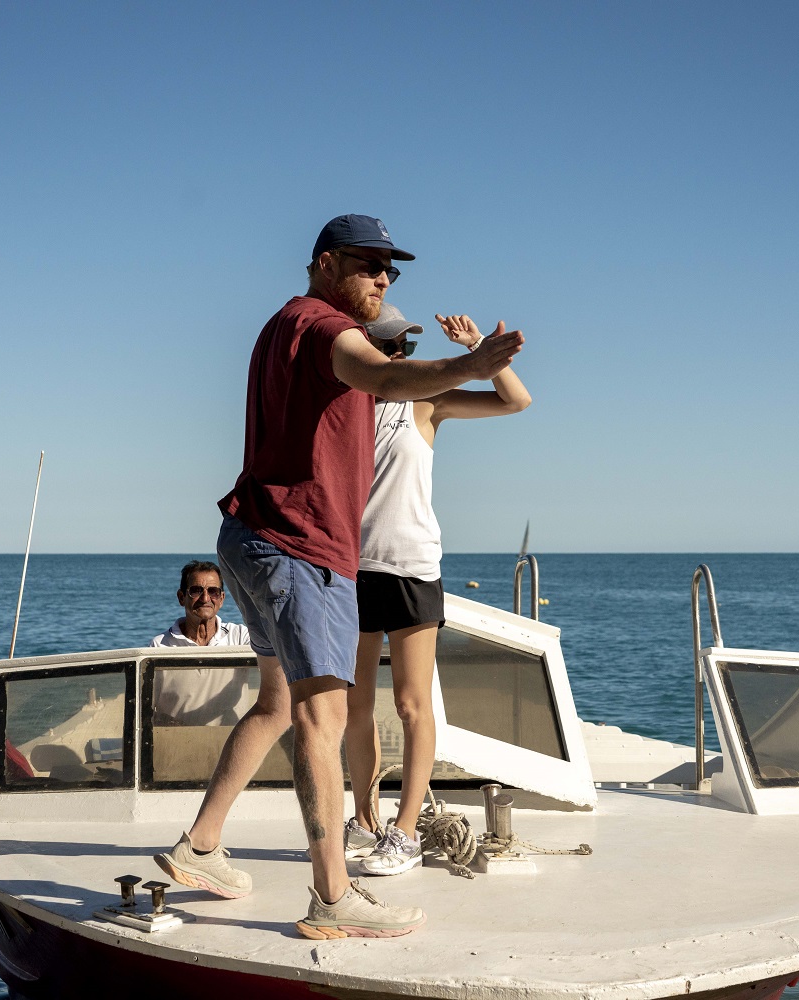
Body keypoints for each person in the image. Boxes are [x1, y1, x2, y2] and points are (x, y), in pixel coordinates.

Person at [154, 214, 524, 940]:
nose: (384, 278)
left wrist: (458, 371)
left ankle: (199, 846)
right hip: (302, 547)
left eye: (392, 270)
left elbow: (386, 380)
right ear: (326, 263)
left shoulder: (282, 325)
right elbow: (382, 371)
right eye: (368, 264)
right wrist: (470, 364)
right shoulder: (324, 329)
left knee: (275, 704)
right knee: (321, 720)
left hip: (252, 534)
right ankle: (332, 898)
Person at [344, 305, 532, 876]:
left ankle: (404, 832)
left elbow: (515, 401)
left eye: (405, 344)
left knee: (409, 702)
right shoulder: (344, 406)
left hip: (410, 566)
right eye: (389, 345)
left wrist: (479, 353)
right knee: (353, 706)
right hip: (350, 568)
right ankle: (365, 819)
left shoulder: (431, 400)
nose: (399, 353)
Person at [150, 561, 253, 727]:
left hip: (231, 741)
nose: (205, 598)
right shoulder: (161, 646)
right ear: (181, 597)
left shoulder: (240, 637)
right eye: (196, 590)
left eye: (213, 591)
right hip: (179, 741)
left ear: (221, 598)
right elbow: (145, 707)